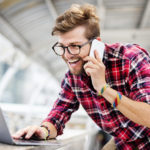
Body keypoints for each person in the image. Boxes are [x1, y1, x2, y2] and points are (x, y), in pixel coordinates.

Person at [13, 3, 150, 150]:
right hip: (124, 142)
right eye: (62, 47)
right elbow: (58, 115)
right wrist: (43, 131)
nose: (67, 55)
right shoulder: (73, 77)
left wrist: (103, 88)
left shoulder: (131, 58)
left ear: (96, 44)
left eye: (74, 46)